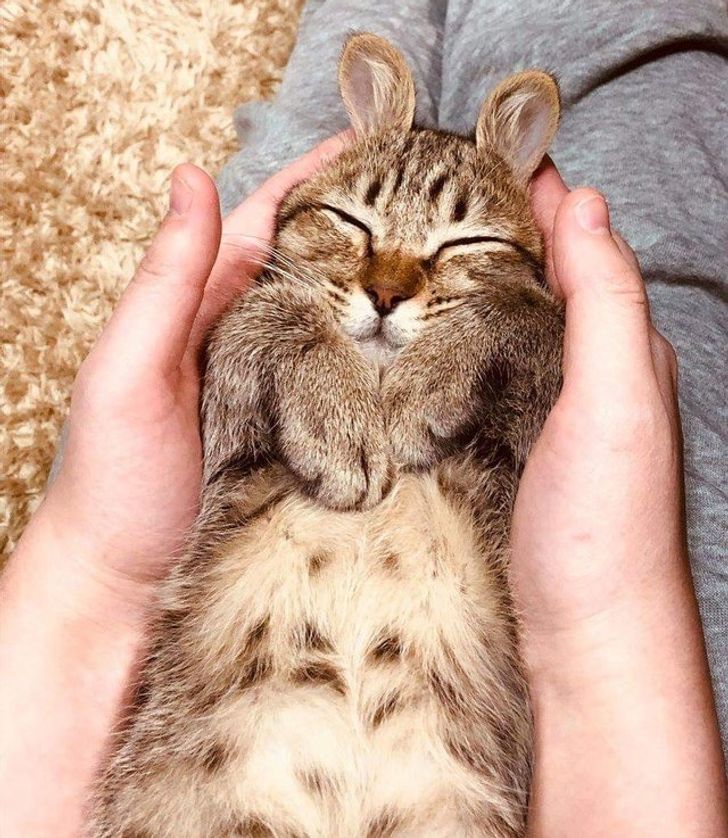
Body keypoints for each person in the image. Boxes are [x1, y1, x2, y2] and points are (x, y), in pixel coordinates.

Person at [2, 0, 727, 834]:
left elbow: (228, 433)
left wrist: (88, 563)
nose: (388, 282)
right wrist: (615, 616)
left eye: (463, 247)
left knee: (293, 153)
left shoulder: (282, 327)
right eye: (354, 229)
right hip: (530, 709)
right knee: (655, 103)